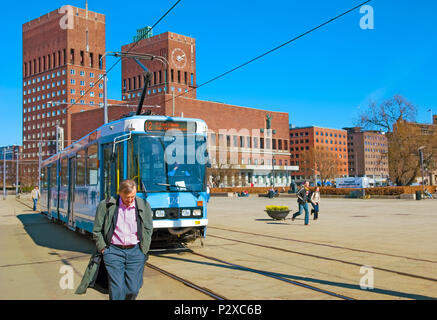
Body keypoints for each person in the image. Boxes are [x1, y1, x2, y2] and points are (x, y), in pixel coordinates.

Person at [76, 180, 154, 300]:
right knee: (117, 288)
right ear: (120, 193)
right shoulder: (106, 205)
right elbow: (97, 230)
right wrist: (103, 248)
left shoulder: (143, 205)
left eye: (133, 196)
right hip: (113, 252)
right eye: (127, 197)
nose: (130, 200)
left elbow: (148, 228)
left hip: (135, 252)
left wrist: (143, 250)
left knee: (133, 288)